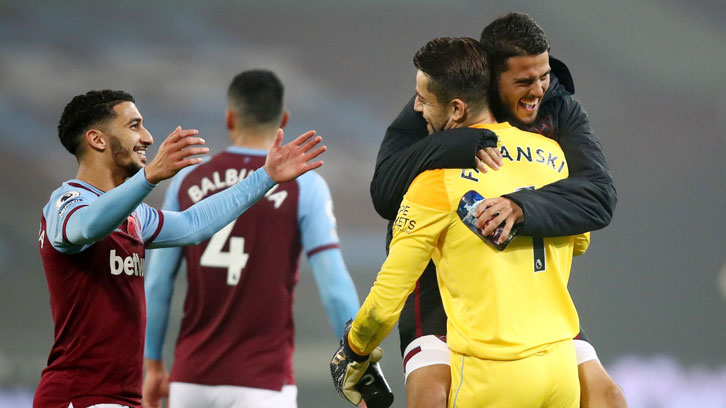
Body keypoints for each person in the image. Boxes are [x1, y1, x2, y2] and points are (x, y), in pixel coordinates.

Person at [369, 12, 625, 408]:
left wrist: (519, 207)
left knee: (607, 398)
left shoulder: (559, 109)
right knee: (432, 397)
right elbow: (385, 192)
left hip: (522, 294)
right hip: (440, 285)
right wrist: (458, 144)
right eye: (524, 81)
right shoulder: (442, 97)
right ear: (489, 79)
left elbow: (599, 196)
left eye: (543, 75)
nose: (539, 89)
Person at [35, 89, 324, 408]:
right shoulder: (65, 202)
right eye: (134, 126)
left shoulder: (134, 217)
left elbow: (193, 225)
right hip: (79, 394)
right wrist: (148, 177)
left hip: (119, 395)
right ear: (97, 140)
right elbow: (86, 227)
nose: (146, 137)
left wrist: (266, 177)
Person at [141, 69, 361, 408]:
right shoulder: (304, 184)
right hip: (264, 381)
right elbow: (333, 285)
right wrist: (359, 364)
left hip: (191, 380)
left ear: (230, 117)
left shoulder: (187, 180)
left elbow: (157, 284)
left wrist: (152, 363)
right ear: (283, 119)